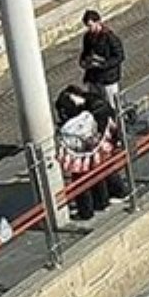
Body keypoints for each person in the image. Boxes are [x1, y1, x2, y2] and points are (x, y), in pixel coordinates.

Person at [54, 83, 119, 220]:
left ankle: (86, 211)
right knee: (99, 171)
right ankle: (104, 201)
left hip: (83, 149)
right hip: (100, 143)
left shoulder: (79, 115)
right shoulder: (94, 103)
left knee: (80, 179)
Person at [79, 8, 125, 111]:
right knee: (96, 105)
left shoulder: (110, 37)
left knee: (112, 106)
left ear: (98, 22)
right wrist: (84, 62)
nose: (90, 29)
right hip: (94, 78)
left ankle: (117, 125)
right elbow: (85, 52)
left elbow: (119, 56)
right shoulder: (87, 37)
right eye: (87, 26)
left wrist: (103, 64)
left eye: (91, 26)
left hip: (108, 78)